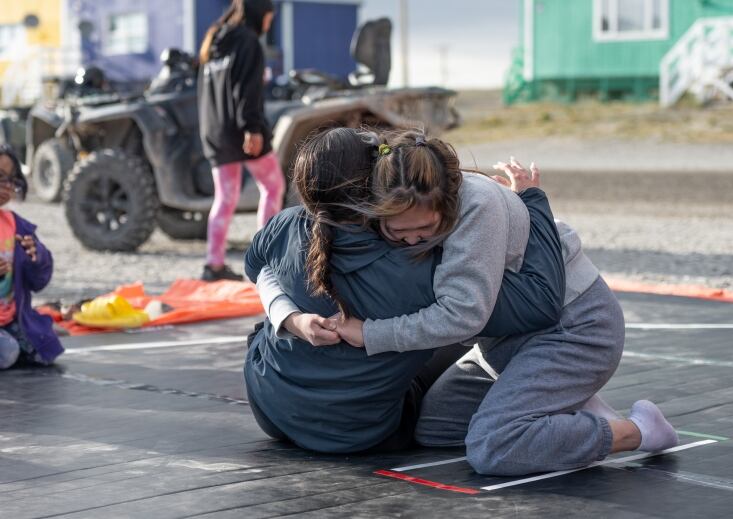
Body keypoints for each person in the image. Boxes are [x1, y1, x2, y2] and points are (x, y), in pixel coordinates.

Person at [263, 130, 679, 476]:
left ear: (445, 209)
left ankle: (636, 431)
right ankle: (561, 402)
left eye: (424, 230)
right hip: (504, 340)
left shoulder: (474, 207)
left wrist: (369, 334)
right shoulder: (386, 202)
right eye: (398, 232)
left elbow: (464, 314)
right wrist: (291, 316)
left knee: (492, 447)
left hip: (574, 329)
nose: (411, 240)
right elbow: (266, 263)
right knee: (435, 427)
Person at [243, 127, 567, 453]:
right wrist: (532, 202)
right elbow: (540, 304)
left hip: (267, 407)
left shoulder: (284, 225)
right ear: (377, 183)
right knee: (463, 329)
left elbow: (256, 268)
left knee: (262, 334)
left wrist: (289, 318)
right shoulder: (422, 269)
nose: (413, 237)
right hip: (358, 434)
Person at [198, 0, 285, 281]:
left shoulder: (214, 42)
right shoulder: (248, 42)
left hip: (216, 130)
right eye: (270, 19)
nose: (269, 25)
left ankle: (213, 265)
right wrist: (252, 128)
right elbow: (245, 89)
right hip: (244, 131)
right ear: (261, 14)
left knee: (225, 199)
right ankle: (266, 260)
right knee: (274, 186)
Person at [0, 146, 63, 369]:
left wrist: (36, 257)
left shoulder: (17, 225)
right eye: (0, 177)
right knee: (8, 352)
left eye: (12, 180)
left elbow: (39, 281)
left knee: (45, 348)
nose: (7, 186)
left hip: (9, 319)